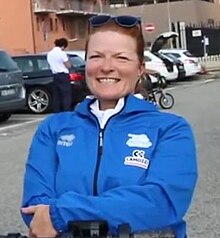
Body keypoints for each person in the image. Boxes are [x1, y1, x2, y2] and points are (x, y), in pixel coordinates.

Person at [21, 15, 198, 238]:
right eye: (96, 57)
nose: (106, 67)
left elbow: (162, 202)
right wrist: (121, 209)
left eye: (121, 58)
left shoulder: (171, 130)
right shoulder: (54, 128)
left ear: (140, 68)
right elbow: (34, 209)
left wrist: (60, 213)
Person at [47, 38, 72, 113]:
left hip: (55, 75)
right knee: (66, 95)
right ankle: (66, 111)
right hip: (63, 75)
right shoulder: (62, 53)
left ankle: (57, 112)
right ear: (63, 46)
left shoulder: (49, 54)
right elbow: (68, 65)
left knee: (57, 95)